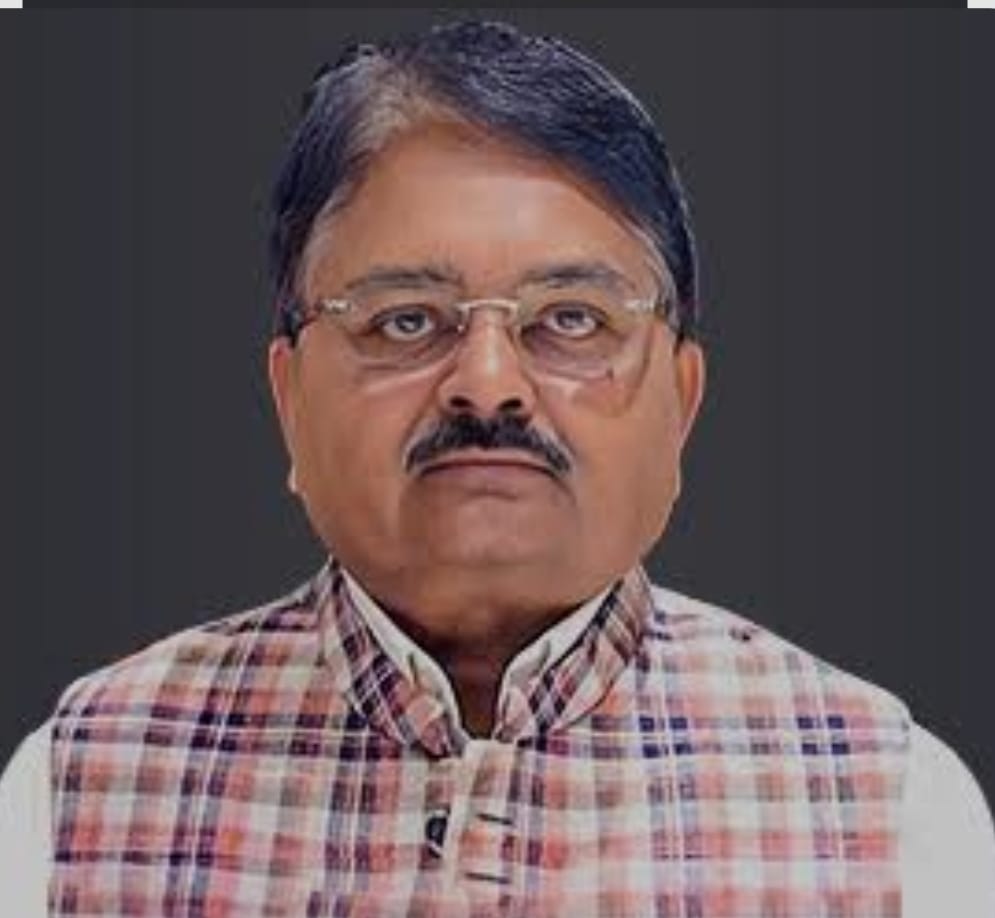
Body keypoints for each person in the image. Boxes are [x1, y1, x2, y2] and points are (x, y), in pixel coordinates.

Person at [2, 19, 993, 918]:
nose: (487, 386)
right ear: (288, 396)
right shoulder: (77, 789)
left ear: (681, 401)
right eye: (404, 321)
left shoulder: (885, 805)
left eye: (570, 320)